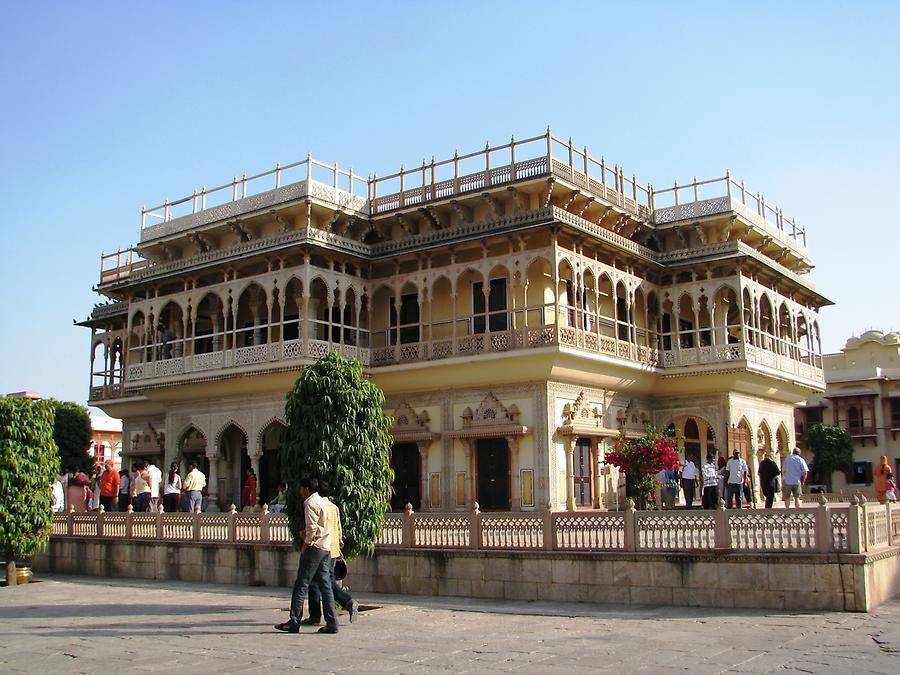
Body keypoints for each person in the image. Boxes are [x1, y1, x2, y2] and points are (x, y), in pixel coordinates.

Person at [274, 476, 339, 634]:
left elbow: (312, 528)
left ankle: (294, 621)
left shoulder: (310, 503)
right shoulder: (324, 502)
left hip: (314, 548)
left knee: (301, 584)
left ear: (306, 489)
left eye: (301, 488)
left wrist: (305, 544)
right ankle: (332, 622)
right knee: (326, 586)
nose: (300, 492)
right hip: (325, 548)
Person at [304, 480, 359, 625]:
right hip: (333, 549)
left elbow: (316, 528)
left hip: (321, 549)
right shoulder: (333, 507)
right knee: (319, 581)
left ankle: (347, 602)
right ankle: (315, 615)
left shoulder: (319, 506)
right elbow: (338, 528)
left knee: (323, 581)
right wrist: (339, 546)